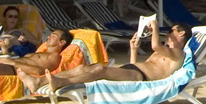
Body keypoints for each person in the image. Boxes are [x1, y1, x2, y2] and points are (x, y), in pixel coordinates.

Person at [37, 21, 193, 90]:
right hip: (133, 71)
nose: (168, 34)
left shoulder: (178, 53)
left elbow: (154, 46)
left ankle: (62, 83)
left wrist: (155, 27)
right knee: (85, 68)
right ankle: (41, 81)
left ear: (181, 33)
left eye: (172, 31)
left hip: (140, 78)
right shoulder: (164, 53)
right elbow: (137, 65)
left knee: (100, 70)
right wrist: (133, 49)